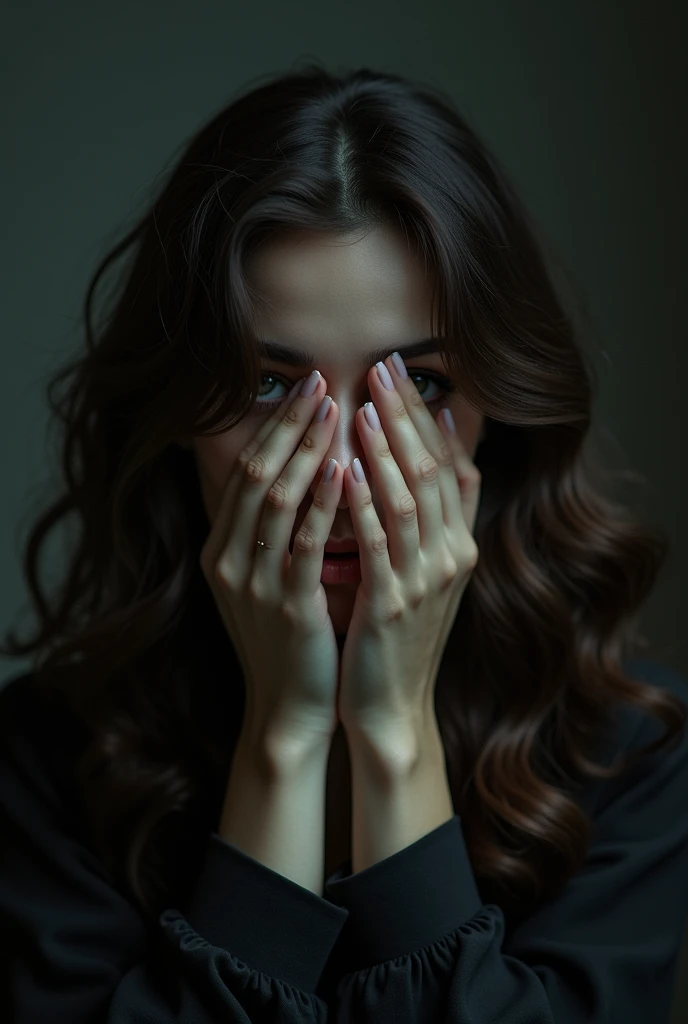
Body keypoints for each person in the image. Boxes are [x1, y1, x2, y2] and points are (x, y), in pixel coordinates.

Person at [1, 61, 687, 1023]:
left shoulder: (636, 759)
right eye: (271, 388)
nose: (344, 472)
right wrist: (282, 741)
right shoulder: (40, 761)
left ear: (499, 409)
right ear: (178, 417)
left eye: (420, 390)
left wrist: (394, 733)